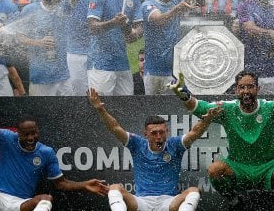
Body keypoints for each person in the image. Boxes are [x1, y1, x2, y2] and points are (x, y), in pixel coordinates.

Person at [171, 70, 274, 207]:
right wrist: (184, 96)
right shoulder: (227, 109)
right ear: (236, 90)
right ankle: (234, 200)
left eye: (250, 86)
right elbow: (199, 108)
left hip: (268, 166)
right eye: (242, 87)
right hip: (238, 168)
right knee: (214, 169)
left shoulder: (270, 108)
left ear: (258, 89)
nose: (246, 91)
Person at [0, 105, 108, 211]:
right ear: (18, 133)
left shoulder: (46, 152)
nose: (31, 138)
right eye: (26, 134)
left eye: (34, 133)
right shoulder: (5, 138)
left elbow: (61, 183)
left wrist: (84, 184)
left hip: (22, 205)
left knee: (46, 199)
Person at [88, 88, 220, 211]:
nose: (159, 137)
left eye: (162, 132)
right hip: (141, 202)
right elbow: (115, 127)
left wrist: (207, 120)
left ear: (167, 132)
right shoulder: (137, 144)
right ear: (146, 134)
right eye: (154, 133)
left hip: (169, 202)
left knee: (193, 191)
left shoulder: (175, 145)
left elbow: (194, 133)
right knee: (114, 188)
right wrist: (100, 109)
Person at [87, 0, 143, 96]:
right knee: (102, 106)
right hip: (101, 64)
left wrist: (131, 32)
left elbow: (139, 29)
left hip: (123, 63)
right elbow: (92, 27)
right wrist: (113, 22)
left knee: (126, 106)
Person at [140, 0, 193, 95]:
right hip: (154, 73)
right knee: (153, 113)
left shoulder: (178, 0)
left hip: (176, 72)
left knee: (175, 112)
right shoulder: (149, 4)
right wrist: (177, 9)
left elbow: (192, 3)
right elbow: (159, 20)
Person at [19, 0, 71, 96]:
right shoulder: (30, 10)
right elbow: (19, 37)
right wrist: (39, 42)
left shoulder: (64, 7)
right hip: (41, 79)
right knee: (42, 115)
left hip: (64, 77)